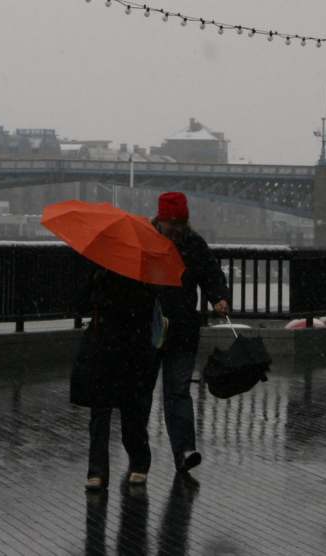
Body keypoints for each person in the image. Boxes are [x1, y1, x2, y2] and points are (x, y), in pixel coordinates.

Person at [149, 191, 229, 476]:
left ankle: (184, 451)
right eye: (171, 224)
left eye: (180, 224)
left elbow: (211, 274)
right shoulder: (145, 241)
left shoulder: (194, 245)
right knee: (141, 394)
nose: (175, 230)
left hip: (182, 329)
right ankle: (139, 458)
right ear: (159, 220)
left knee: (178, 390)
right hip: (149, 328)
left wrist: (218, 296)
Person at [75, 267, 157, 490]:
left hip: (129, 347)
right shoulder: (99, 268)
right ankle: (99, 470)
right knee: (102, 409)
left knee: (129, 409)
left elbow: (146, 306)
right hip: (106, 345)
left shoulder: (139, 272)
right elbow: (81, 300)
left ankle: (134, 461)